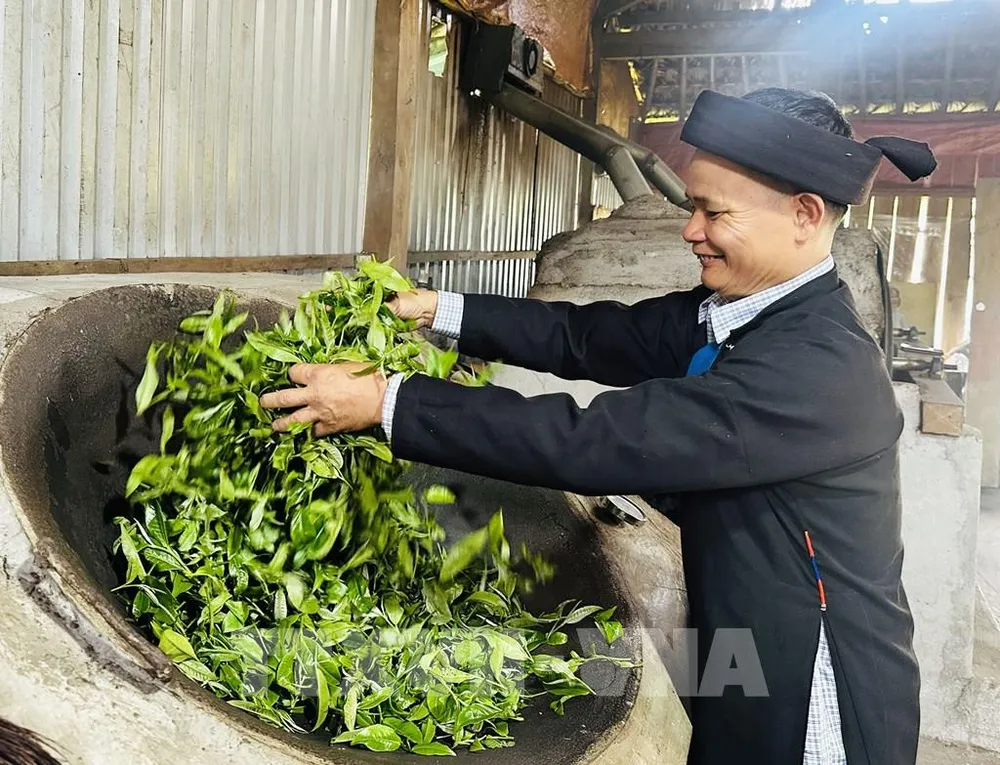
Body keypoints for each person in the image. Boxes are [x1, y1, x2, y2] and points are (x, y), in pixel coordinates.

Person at [260, 87, 937, 765]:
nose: (690, 230)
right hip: (746, 639)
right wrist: (440, 308)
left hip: (814, 691)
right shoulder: (744, 311)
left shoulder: (816, 367)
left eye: (714, 212)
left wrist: (389, 401)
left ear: (805, 214)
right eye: (692, 206)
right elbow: (590, 336)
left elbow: (593, 441)